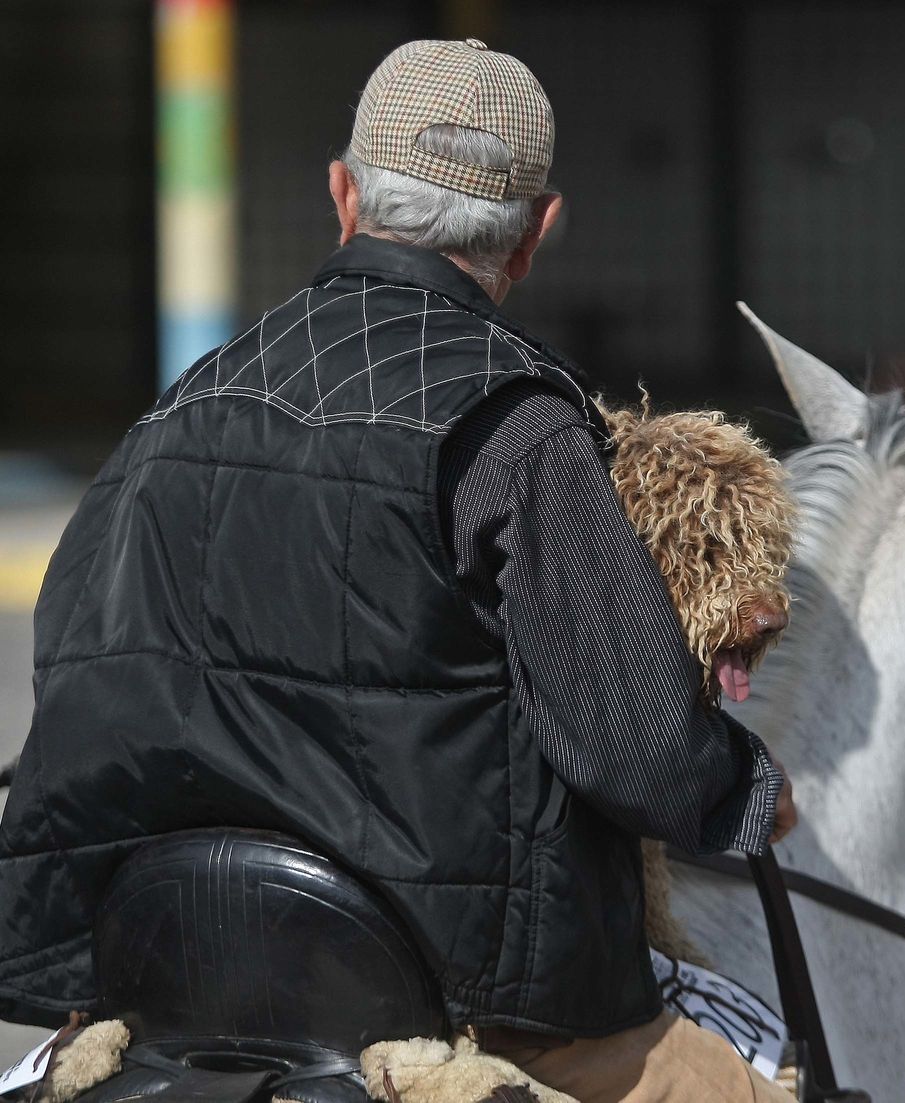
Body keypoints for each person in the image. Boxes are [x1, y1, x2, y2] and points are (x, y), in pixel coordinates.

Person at [0, 39, 795, 1103]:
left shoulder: (180, 403)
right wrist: (748, 790)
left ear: (342, 192)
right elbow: (635, 746)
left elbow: (72, 657)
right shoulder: (520, 430)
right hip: (456, 1002)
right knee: (753, 1073)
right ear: (538, 229)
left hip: (158, 985)